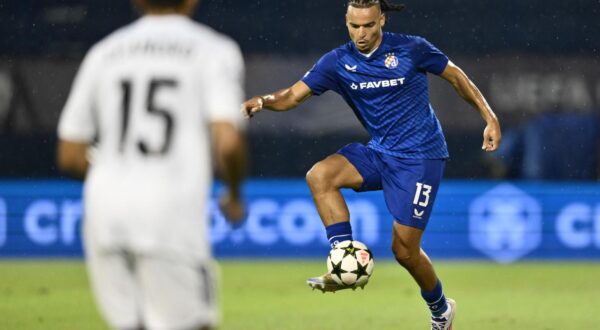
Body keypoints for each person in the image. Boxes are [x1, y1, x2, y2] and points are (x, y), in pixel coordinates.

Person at [241, 0, 501, 329]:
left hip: (421, 158)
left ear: (382, 21)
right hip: (380, 153)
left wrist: (489, 117)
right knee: (320, 175)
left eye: (368, 26)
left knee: (404, 251)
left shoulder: (412, 49)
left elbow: (456, 77)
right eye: (354, 26)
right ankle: (343, 259)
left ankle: (440, 309)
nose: (361, 34)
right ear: (346, 23)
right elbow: (292, 95)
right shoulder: (337, 62)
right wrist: (264, 101)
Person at [56, 0, 246, 329]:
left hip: (104, 214)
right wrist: (233, 192)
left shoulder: (104, 52)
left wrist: (112, 175)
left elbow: (70, 153)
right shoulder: (213, 50)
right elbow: (228, 142)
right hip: (168, 213)